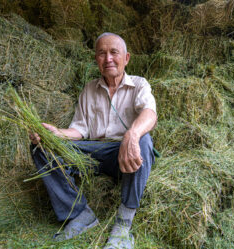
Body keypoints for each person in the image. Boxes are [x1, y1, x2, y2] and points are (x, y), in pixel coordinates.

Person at [29, 32, 157, 249]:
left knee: (144, 140)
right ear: (96, 59)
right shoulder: (89, 89)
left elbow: (149, 113)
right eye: (102, 53)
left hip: (125, 154)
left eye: (114, 52)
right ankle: (79, 214)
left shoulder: (139, 84)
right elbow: (80, 130)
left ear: (126, 58)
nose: (108, 58)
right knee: (40, 148)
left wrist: (131, 135)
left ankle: (124, 224)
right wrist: (55, 134)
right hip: (94, 152)